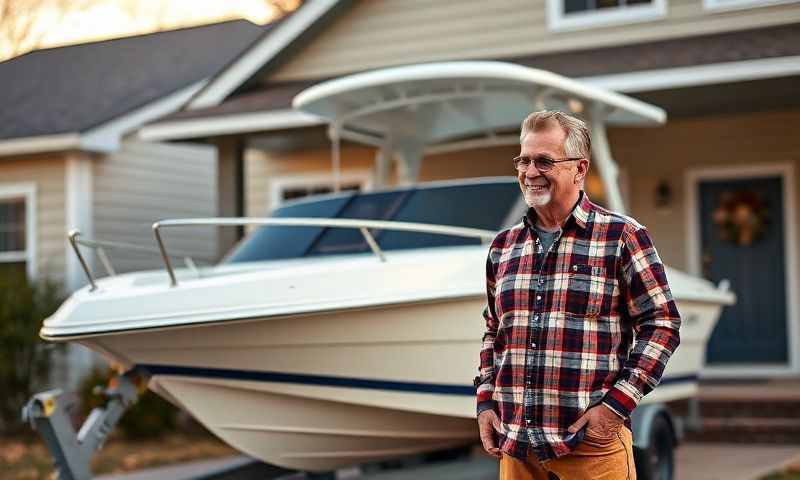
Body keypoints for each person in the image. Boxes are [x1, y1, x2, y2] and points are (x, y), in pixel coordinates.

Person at [474, 110, 681, 480]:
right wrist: (486, 402)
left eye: (544, 161)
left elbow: (662, 324)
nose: (530, 171)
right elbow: (494, 331)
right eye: (523, 160)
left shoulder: (622, 237)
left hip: (592, 446)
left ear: (579, 169)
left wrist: (616, 407)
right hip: (517, 448)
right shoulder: (502, 247)